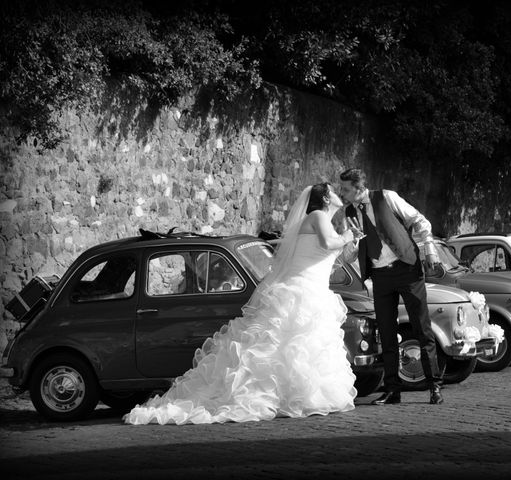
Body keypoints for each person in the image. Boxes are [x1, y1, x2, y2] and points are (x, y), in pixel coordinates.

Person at [124, 183, 362, 425]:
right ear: (325, 198)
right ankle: (282, 395)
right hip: (301, 292)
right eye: (333, 191)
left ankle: (297, 396)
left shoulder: (325, 222)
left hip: (315, 291)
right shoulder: (318, 215)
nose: (337, 194)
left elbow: (337, 257)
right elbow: (328, 244)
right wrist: (347, 236)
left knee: (298, 348)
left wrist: (353, 245)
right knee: (287, 346)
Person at [339, 168, 444, 405]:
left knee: (421, 328)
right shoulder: (348, 213)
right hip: (379, 276)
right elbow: (347, 257)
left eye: (345, 189)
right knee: (386, 334)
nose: (342, 194)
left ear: (358, 187)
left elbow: (419, 220)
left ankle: (434, 387)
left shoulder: (386, 197)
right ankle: (392, 390)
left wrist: (429, 248)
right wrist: (354, 240)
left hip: (407, 268)